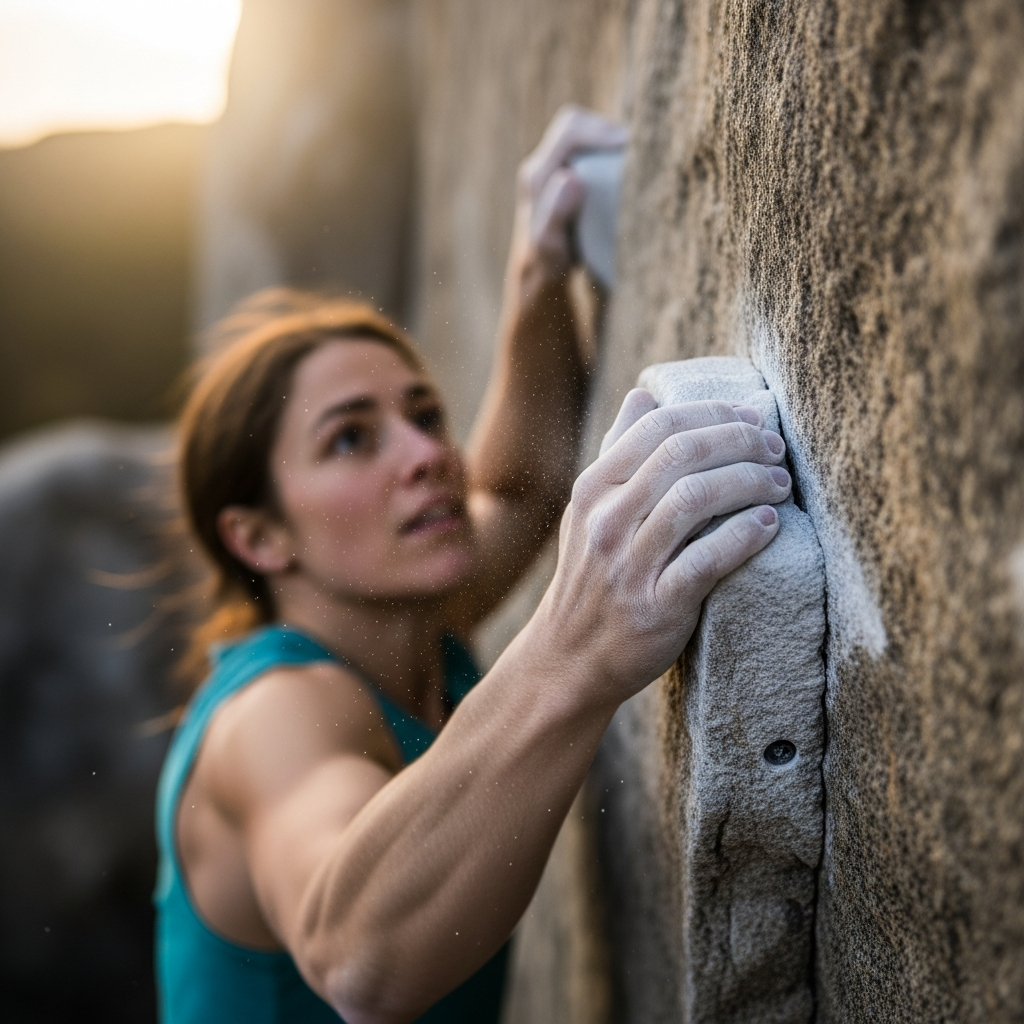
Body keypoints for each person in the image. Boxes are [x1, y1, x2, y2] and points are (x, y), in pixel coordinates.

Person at [154, 107, 792, 1024]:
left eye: (423, 412)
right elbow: (357, 955)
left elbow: (523, 486)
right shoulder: (276, 711)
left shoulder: (414, 624)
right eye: (351, 440)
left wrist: (539, 277)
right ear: (260, 538)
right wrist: (574, 650)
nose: (424, 453)